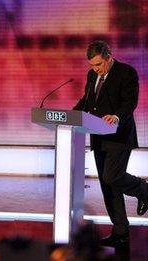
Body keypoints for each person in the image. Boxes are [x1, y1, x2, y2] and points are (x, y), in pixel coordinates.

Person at [73, 40, 148, 247]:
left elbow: (129, 102)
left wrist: (116, 116)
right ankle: (120, 231)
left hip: (119, 136)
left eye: (98, 65)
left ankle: (144, 190)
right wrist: (70, 115)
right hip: (99, 137)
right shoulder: (91, 75)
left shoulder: (127, 72)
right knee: (108, 185)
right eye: (92, 66)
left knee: (112, 176)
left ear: (109, 57)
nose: (95, 69)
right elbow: (87, 100)